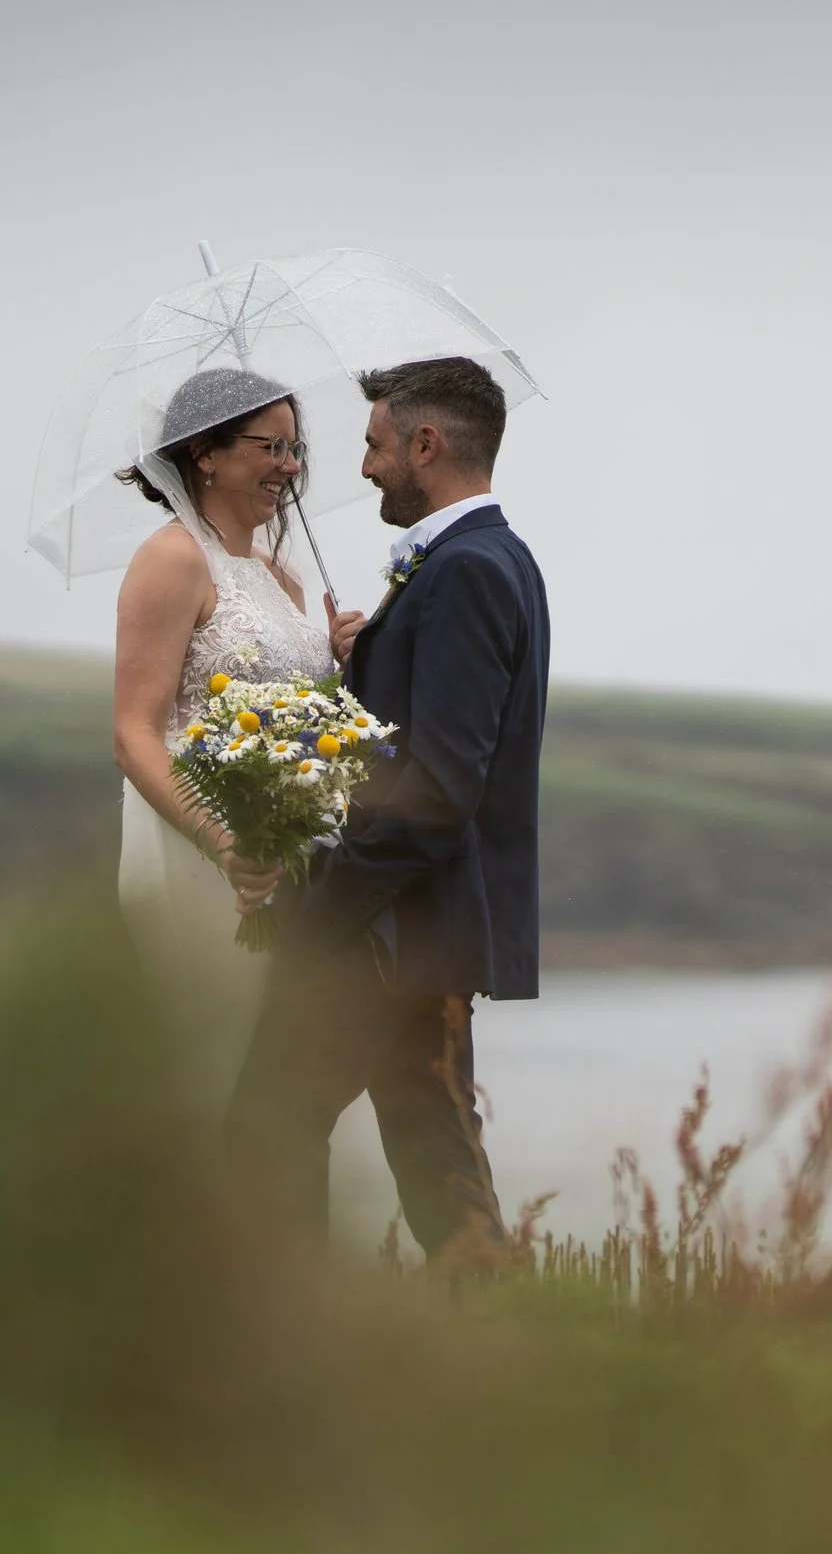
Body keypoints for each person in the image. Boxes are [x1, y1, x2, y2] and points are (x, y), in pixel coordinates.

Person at [230, 355, 551, 1262]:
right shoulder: (485, 562)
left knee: (267, 1132)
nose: (364, 467)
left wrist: (323, 904)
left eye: (374, 446)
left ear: (425, 443)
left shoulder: (467, 572)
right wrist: (368, 659)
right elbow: (422, 740)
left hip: (386, 934)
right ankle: (493, 1358)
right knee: (437, 1167)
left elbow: (440, 788)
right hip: (415, 933)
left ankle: (287, 1340)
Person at [112, 366, 336, 1113]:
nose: (291, 467)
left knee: (282, 1087)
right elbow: (133, 731)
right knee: (210, 1077)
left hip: (286, 854)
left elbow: (308, 725)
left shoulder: (283, 579)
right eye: (271, 446)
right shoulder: (173, 560)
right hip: (197, 852)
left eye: (296, 448)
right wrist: (221, 841)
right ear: (206, 453)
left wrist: (342, 656)